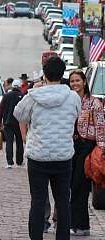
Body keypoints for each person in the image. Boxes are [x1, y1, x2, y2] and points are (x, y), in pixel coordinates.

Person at [14, 56, 81, 240]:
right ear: (63, 74)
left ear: (44, 74)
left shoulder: (34, 96)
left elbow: (18, 114)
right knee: (63, 203)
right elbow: (77, 114)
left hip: (38, 156)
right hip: (63, 155)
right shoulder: (73, 97)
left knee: (37, 201)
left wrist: (32, 93)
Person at [69, 70, 105, 236]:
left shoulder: (94, 103)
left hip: (87, 146)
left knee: (80, 185)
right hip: (71, 145)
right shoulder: (69, 101)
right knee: (71, 185)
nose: (75, 84)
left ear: (84, 82)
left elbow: (100, 127)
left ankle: (82, 225)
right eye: (72, 81)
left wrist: (101, 148)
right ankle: (74, 223)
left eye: (77, 80)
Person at [0, 79, 25, 168]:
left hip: (8, 122)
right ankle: (19, 161)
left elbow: (1, 109)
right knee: (19, 142)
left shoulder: (6, 95)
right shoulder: (22, 96)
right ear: (20, 86)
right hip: (19, 122)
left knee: (9, 142)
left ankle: (9, 162)